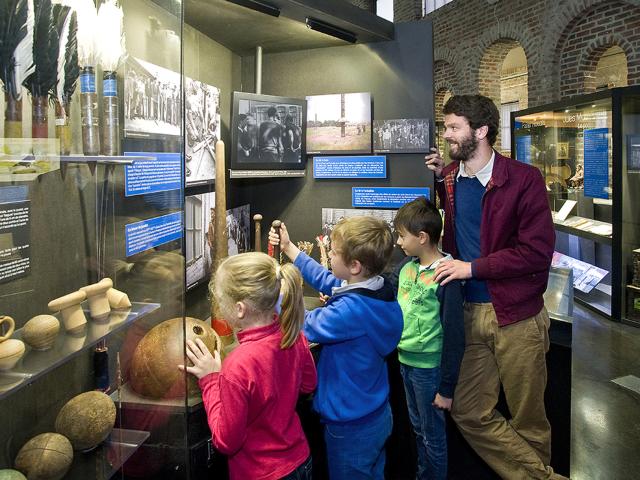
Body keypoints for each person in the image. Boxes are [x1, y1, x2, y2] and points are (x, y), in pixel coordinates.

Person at [425, 94, 565, 479]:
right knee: (467, 409)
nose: (446, 135)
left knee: (528, 419)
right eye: (446, 127)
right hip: (469, 314)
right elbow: (462, 220)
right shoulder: (451, 179)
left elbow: (536, 253)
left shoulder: (524, 179)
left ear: (481, 131)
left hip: (517, 317)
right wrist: (440, 180)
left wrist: (472, 268)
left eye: (454, 127)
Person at [269, 217, 403, 480]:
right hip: (375, 415)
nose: (328, 253)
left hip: (350, 426)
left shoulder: (351, 311)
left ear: (354, 265)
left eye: (333, 251)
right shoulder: (376, 289)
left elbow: (303, 323)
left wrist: (271, 295)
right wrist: (289, 249)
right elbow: (327, 279)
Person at [180, 252, 317, 480]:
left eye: (220, 301)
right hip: (300, 461)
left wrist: (212, 380)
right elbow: (308, 384)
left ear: (240, 309)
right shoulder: (293, 335)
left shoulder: (237, 365)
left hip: (261, 473)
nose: (219, 307)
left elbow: (226, 442)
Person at [390, 196, 465, 480]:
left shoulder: (447, 274)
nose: (398, 242)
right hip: (405, 363)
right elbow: (384, 289)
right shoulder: (407, 267)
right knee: (418, 430)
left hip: (429, 370)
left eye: (401, 236)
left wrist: (446, 388)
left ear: (422, 237)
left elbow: (455, 334)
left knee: (433, 436)